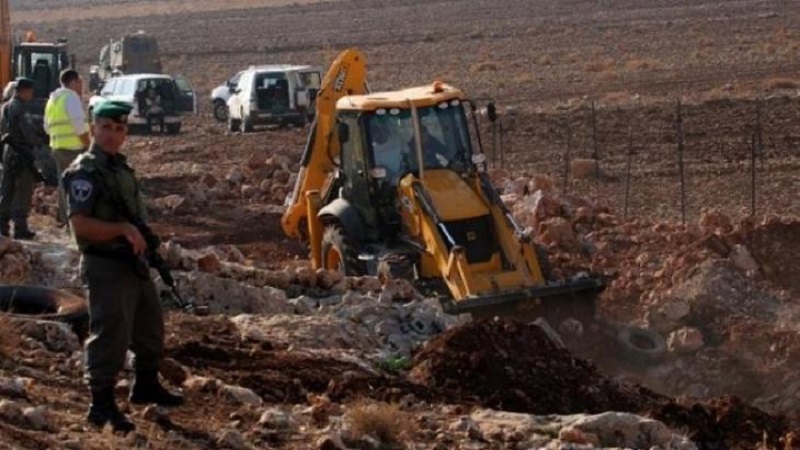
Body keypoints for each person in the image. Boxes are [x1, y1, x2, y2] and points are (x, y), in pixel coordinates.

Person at [63, 101, 184, 433]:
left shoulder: (120, 169)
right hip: (106, 265)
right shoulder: (85, 171)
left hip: (133, 262)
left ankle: (145, 385)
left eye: (119, 129)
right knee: (110, 335)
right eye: (106, 127)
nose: (112, 135)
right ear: (93, 128)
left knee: (150, 327)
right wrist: (123, 230)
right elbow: (80, 225)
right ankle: (100, 405)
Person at [45, 69, 91, 227]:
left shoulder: (52, 100)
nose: (81, 86)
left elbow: (46, 128)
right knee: (78, 185)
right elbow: (79, 126)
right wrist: (88, 145)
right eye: (80, 82)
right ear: (73, 82)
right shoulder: (71, 98)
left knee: (64, 183)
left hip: (57, 147)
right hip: (73, 149)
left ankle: (65, 219)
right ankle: (76, 221)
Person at [0, 78, 41, 239]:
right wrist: (38, 140)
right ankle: (20, 228)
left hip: (8, 152)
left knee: (7, 189)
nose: (31, 95)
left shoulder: (5, 107)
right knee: (23, 191)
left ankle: (2, 226)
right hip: (21, 152)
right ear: (25, 91)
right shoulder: (21, 108)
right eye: (31, 92)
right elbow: (27, 132)